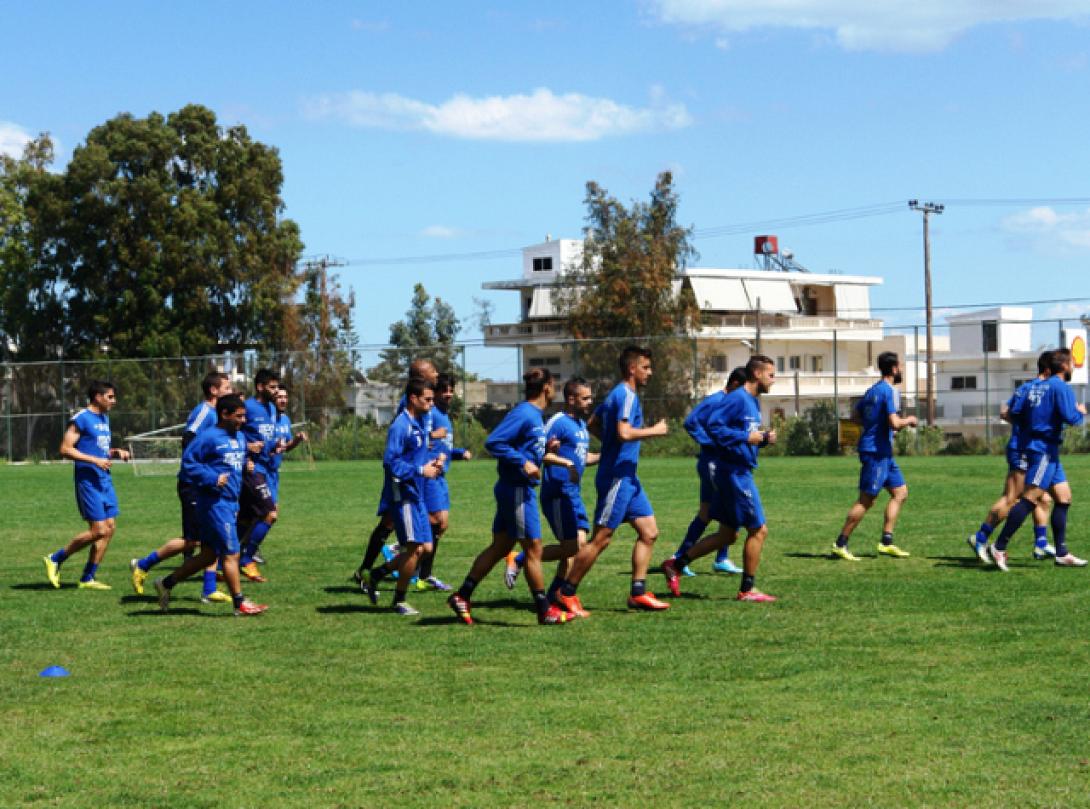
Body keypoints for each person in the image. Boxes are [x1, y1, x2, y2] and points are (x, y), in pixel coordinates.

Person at [446, 368, 568, 626]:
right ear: (547, 386)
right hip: (517, 491)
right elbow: (494, 442)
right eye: (554, 383)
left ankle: (462, 595)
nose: (555, 387)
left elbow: (523, 446)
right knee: (533, 549)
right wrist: (523, 462)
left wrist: (545, 449)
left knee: (501, 547)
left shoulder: (535, 416)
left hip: (514, 489)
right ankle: (544, 609)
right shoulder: (524, 413)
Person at [555, 346, 671, 613]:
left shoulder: (616, 395)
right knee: (601, 539)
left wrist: (608, 444)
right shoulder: (626, 395)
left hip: (628, 477)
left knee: (649, 532)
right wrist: (655, 430)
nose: (649, 373)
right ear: (632, 368)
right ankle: (566, 592)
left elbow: (594, 422)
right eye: (646, 367)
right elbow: (624, 432)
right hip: (617, 478)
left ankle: (638, 593)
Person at [663, 355, 780, 602]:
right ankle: (747, 589)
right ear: (757, 374)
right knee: (759, 530)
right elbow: (715, 426)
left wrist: (763, 440)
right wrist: (746, 438)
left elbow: (745, 436)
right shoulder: (737, 398)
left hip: (739, 470)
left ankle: (676, 564)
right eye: (771, 374)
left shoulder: (752, 402)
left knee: (728, 535)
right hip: (734, 474)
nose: (774, 379)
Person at [153, 394, 267, 616]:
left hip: (230, 502)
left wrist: (246, 465)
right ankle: (239, 603)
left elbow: (235, 461)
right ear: (224, 414)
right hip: (214, 504)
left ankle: (166, 583)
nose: (243, 420)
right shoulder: (208, 437)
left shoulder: (240, 437)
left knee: (208, 555)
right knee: (231, 554)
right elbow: (188, 464)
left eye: (244, 416)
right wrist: (211, 478)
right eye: (239, 416)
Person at [129, 371, 233, 603]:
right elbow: (188, 437)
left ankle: (209, 589)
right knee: (193, 540)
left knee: (212, 540)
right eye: (227, 387)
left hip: (207, 483)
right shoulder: (204, 411)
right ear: (214, 391)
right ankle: (143, 564)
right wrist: (197, 470)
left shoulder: (217, 415)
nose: (231, 390)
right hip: (193, 484)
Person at [503, 376, 599, 618]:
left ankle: (557, 595)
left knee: (576, 548)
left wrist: (606, 455)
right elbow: (540, 453)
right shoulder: (558, 422)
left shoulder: (580, 425)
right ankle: (522, 559)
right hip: (557, 492)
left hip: (573, 494)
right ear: (571, 399)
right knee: (573, 547)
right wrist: (556, 457)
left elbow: (582, 458)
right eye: (585, 397)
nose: (590, 402)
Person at [988, 348, 1087, 571]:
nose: (1073, 367)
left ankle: (1061, 553)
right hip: (1043, 451)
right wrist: (1081, 411)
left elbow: (1013, 413)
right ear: (1063, 365)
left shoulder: (1034, 386)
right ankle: (999, 546)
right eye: (1071, 363)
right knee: (1030, 498)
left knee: (1064, 497)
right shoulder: (1060, 386)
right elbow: (1071, 418)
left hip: (1043, 449)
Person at [353, 358, 441, 587]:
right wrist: (420, 467)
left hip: (418, 478)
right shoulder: (408, 410)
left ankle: (378, 571)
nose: (436, 373)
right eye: (432, 370)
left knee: (422, 537)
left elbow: (418, 440)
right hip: (406, 480)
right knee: (395, 526)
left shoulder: (425, 404)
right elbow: (398, 450)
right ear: (420, 377)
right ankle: (376, 574)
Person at [967, 351, 1055, 563]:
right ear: (1049, 369)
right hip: (1023, 449)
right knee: (1012, 498)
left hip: (1028, 448)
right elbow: (1006, 413)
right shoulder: (1035, 389)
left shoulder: (1027, 388)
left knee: (1044, 498)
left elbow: (1005, 412)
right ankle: (980, 537)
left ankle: (1041, 544)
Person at [43, 381, 130, 590]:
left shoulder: (104, 419)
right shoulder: (82, 418)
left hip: (104, 479)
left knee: (109, 528)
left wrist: (114, 452)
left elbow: (98, 450)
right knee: (98, 530)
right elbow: (65, 449)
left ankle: (88, 577)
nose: (114, 401)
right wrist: (95, 461)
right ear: (97, 397)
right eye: (110, 397)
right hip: (88, 481)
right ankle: (55, 558)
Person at [831, 351, 917, 561]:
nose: (902, 370)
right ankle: (840, 543)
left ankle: (886, 542)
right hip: (876, 453)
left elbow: (856, 415)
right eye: (901, 366)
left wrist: (875, 426)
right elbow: (895, 423)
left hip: (882, 452)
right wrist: (909, 421)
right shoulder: (888, 391)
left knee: (900, 492)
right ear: (894, 369)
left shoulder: (871, 391)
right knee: (867, 500)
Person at [670, 366, 748, 576]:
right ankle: (682, 557)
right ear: (734, 385)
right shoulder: (717, 401)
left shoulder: (732, 402)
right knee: (728, 510)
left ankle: (713, 558)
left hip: (719, 462)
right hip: (713, 463)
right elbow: (690, 422)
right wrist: (711, 442)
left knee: (709, 512)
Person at [415, 372, 471, 592]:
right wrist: (431, 439)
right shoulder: (431, 414)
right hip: (430, 476)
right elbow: (420, 439)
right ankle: (407, 555)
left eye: (451, 390)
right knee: (435, 522)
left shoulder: (445, 416)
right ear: (435, 393)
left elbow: (443, 447)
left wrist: (457, 453)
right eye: (443, 390)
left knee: (441, 525)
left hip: (442, 477)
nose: (448, 394)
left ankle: (422, 571)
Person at [242, 385, 308, 566]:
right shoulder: (263, 417)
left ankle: (247, 549)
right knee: (267, 512)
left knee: (263, 513)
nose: (283, 400)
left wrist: (296, 441)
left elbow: (283, 447)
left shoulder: (285, 420)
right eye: (279, 396)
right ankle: (245, 553)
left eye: (285, 397)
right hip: (257, 470)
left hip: (272, 472)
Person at [236, 368, 280, 583]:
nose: (276, 390)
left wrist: (274, 446)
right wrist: (246, 450)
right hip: (252, 470)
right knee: (270, 514)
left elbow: (266, 436)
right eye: (272, 387)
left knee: (244, 518)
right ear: (260, 387)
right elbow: (233, 431)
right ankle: (246, 558)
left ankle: (222, 559)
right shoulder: (248, 408)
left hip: (264, 468)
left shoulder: (271, 408)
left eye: (277, 386)